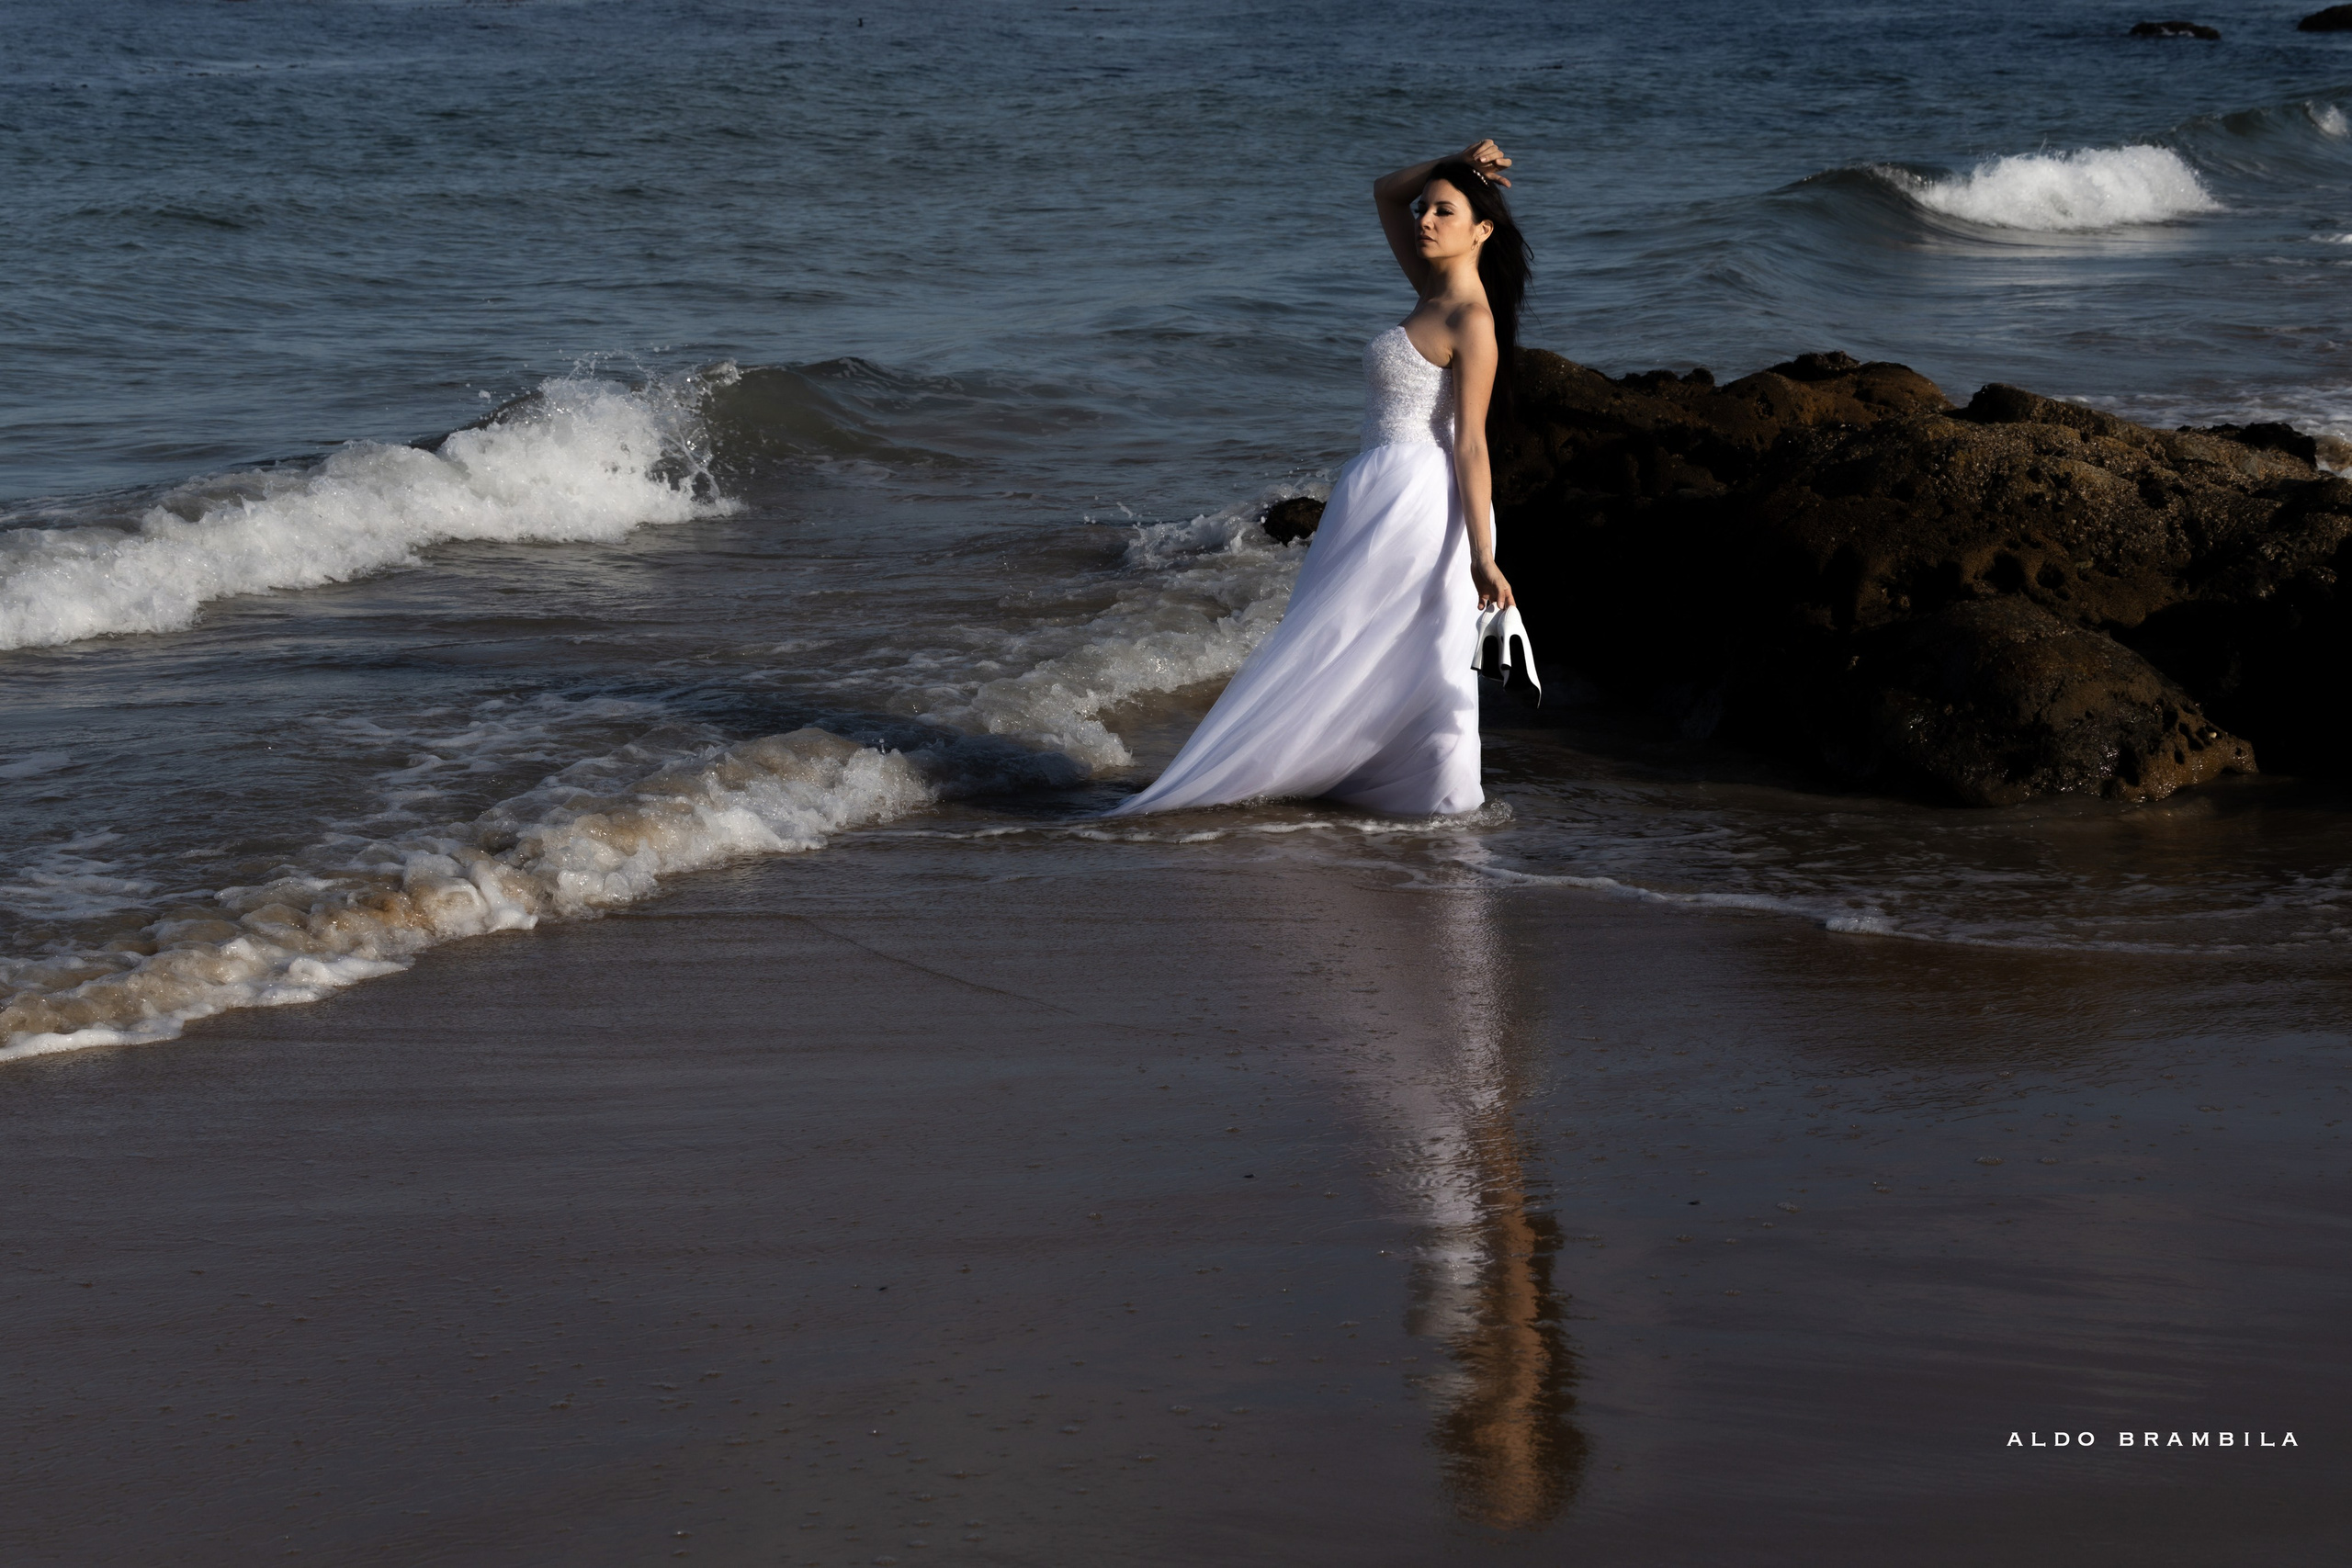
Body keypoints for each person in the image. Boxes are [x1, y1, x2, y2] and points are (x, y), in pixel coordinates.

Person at [1106, 139, 1529, 818]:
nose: (1424, 219)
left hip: (1421, 502)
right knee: (1344, 636)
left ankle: (1439, 797)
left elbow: (1472, 444)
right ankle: (1352, 771)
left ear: (1481, 230)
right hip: (1376, 491)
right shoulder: (1429, 288)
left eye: (1444, 212)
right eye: (1427, 210)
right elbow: (1384, 190)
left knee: (1384, 644)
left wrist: (1483, 554)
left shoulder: (1470, 318)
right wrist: (1455, 160)